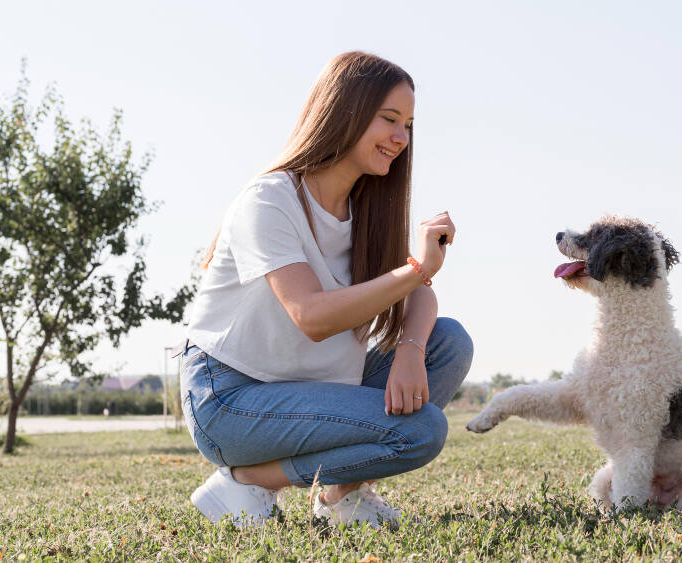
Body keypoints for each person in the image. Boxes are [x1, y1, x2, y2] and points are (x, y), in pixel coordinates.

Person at [179, 51, 473, 528]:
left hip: (312, 389)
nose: (401, 138)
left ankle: (341, 496)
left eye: (409, 125)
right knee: (420, 432)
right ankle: (251, 478)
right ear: (346, 112)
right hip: (231, 397)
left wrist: (411, 349)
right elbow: (312, 317)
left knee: (448, 341)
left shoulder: (367, 210)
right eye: (390, 119)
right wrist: (419, 268)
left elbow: (418, 295)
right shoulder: (270, 199)